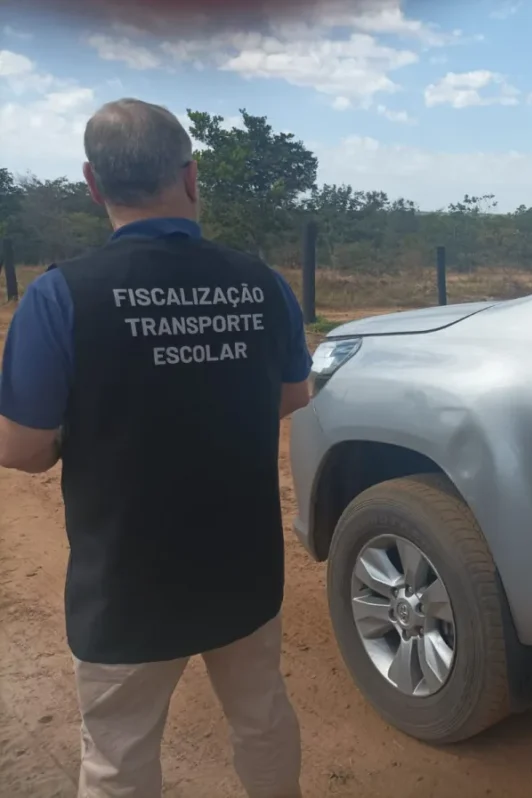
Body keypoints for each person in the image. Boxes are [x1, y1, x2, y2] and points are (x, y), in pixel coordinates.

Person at [0, 98, 310, 798]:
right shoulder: (262, 284)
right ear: (190, 176)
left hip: (125, 582)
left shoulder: (61, 296)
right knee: (262, 720)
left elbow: (21, 448)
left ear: (92, 182)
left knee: (119, 756)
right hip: (242, 567)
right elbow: (294, 394)